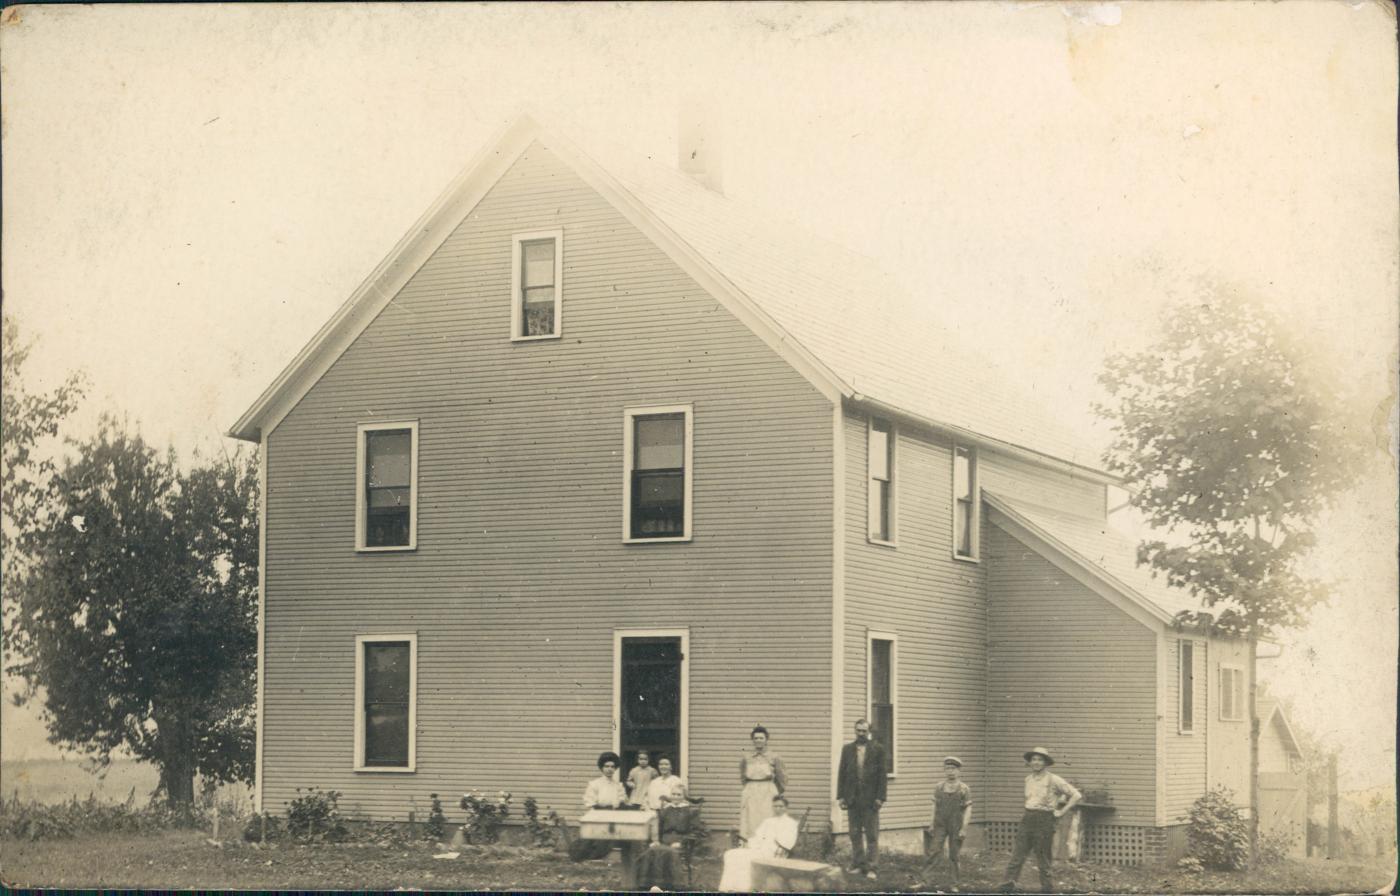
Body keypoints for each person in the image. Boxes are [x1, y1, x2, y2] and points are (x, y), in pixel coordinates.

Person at [999, 747, 1081, 893]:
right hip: (1028, 818)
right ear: (1030, 762)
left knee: (1043, 858)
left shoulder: (1054, 779)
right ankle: (1007, 886)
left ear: (1045, 763)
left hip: (1044, 820)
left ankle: (1047, 889)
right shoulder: (1028, 779)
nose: (1036, 762)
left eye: (1040, 760)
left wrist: (1062, 811)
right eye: (1034, 759)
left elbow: (1076, 795)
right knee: (1017, 855)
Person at [836, 718, 888, 880]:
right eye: (858, 730)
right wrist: (841, 796)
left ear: (869, 731)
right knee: (854, 833)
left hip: (871, 800)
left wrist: (880, 797)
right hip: (853, 799)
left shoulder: (878, 749)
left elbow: (882, 776)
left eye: (864, 731)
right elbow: (842, 773)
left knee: (872, 835)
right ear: (855, 731)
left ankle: (872, 867)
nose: (861, 733)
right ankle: (858, 864)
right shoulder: (847, 749)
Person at [718, 793, 800, 891]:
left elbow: (788, 841)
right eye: (775, 806)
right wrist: (752, 844)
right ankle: (730, 886)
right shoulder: (768, 821)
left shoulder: (790, 823)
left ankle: (744, 888)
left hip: (774, 853)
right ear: (772, 807)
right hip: (760, 849)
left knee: (745, 858)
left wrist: (773, 842)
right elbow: (758, 837)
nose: (778, 808)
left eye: (781, 806)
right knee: (731, 854)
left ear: (786, 808)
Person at [924, 756, 973, 891]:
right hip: (940, 824)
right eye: (947, 769)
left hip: (956, 825)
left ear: (959, 771)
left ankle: (954, 884)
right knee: (933, 851)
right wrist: (931, 823)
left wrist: (964, 828)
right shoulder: (939, 787)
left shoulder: (964, 789)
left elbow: (968, 809)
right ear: (944, 770)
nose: (950, 772)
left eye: (953, 769)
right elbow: (933, 806)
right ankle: (926, 881)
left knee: (954, 854)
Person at [570, 751, 629, 862]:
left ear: (615, 768)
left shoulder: (618, 786)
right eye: (606, 766)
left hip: (613, 816)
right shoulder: (594, 784)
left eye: (612, 766)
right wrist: (601, 809)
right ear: (602, 767)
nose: (609, 769)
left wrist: (617, 806)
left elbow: (622, 800)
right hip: (597, 815)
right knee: (590, 840)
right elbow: (590, 802)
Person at [738, 725, 787, 842]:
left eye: (761, 738)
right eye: (756, 738)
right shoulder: (746, 757)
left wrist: (775, 793)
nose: (758, 740)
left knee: (768, 819)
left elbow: (782, 778)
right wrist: (750, 788)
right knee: (750, 820)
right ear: (752, 740)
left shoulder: (774, 757)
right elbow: (742, 777)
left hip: (768, 791)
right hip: (751, 790)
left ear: (766, 740)